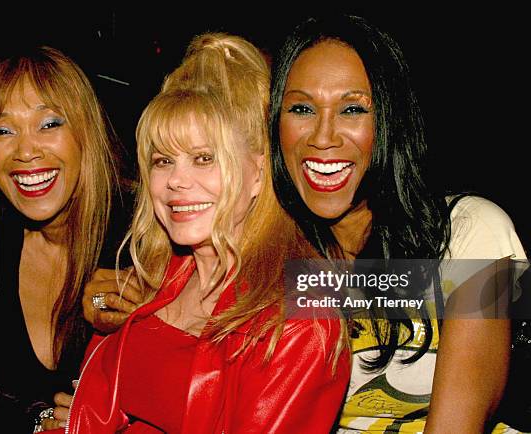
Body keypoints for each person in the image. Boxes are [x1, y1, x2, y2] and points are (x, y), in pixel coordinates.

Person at [62, 32, 350, 434]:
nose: (176, 181)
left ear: (259, 173)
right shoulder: (158, 275)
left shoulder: (298, 318)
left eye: (203, 158)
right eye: (162, 160)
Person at [268, 15, 527, 433]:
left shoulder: (470, 231)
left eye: (353, 108)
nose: (322, 135)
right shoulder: (271, 262)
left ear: (390, 122)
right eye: (301, 108)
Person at [0, 45, 134, 433]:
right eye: (2, 130)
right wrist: (33, 424)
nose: (25, 150)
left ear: (85, 132)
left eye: (50, 123)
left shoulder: (147, 232)